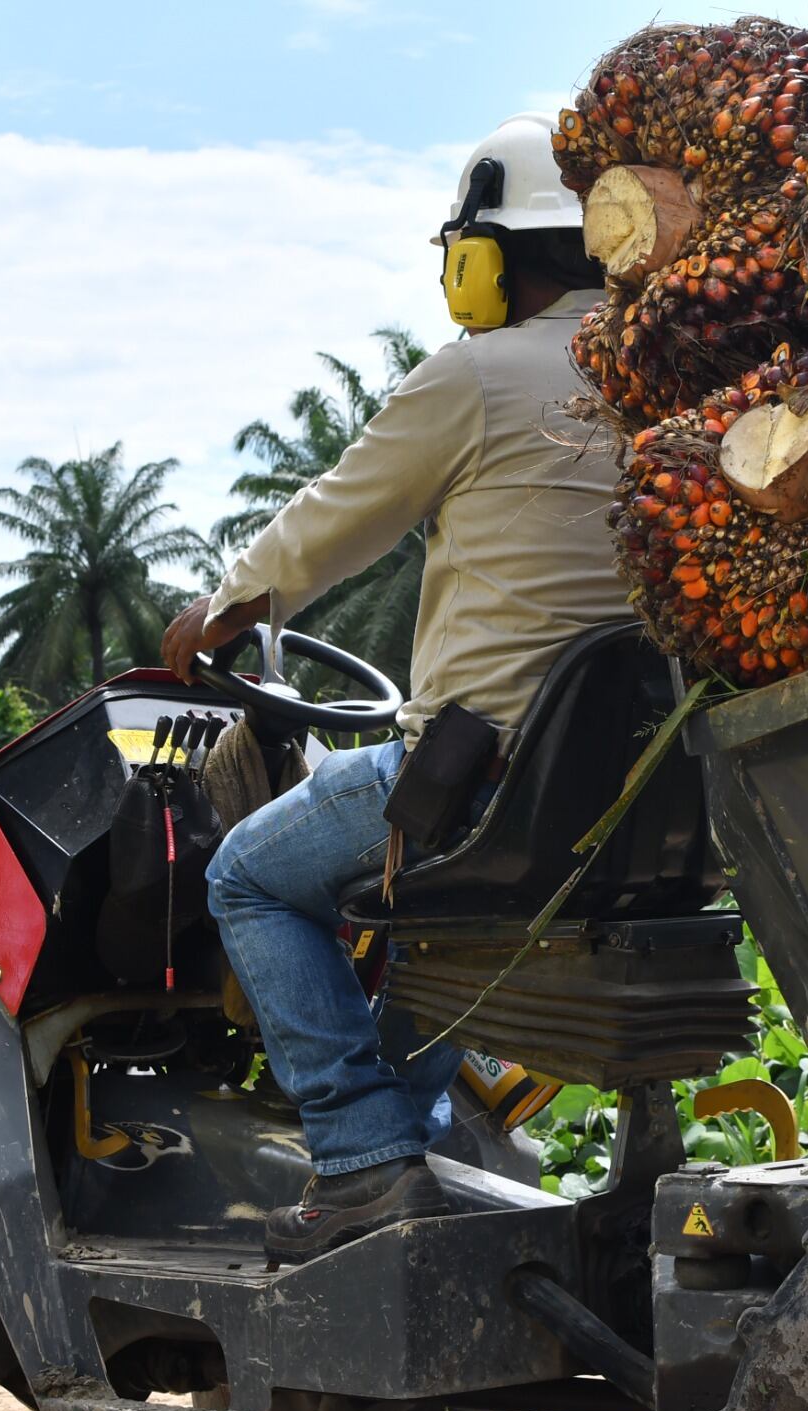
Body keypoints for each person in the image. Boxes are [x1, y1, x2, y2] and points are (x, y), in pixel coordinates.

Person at [159, 114, 629, 1262]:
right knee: (422, 932)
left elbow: (333, 517)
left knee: (250, 879)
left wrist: (222, 610)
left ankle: (363, 1161)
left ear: (489, 258)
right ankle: (398, 1142)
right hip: (629, 789)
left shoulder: (477, 375)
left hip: (479, 779)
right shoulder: (665, 385)